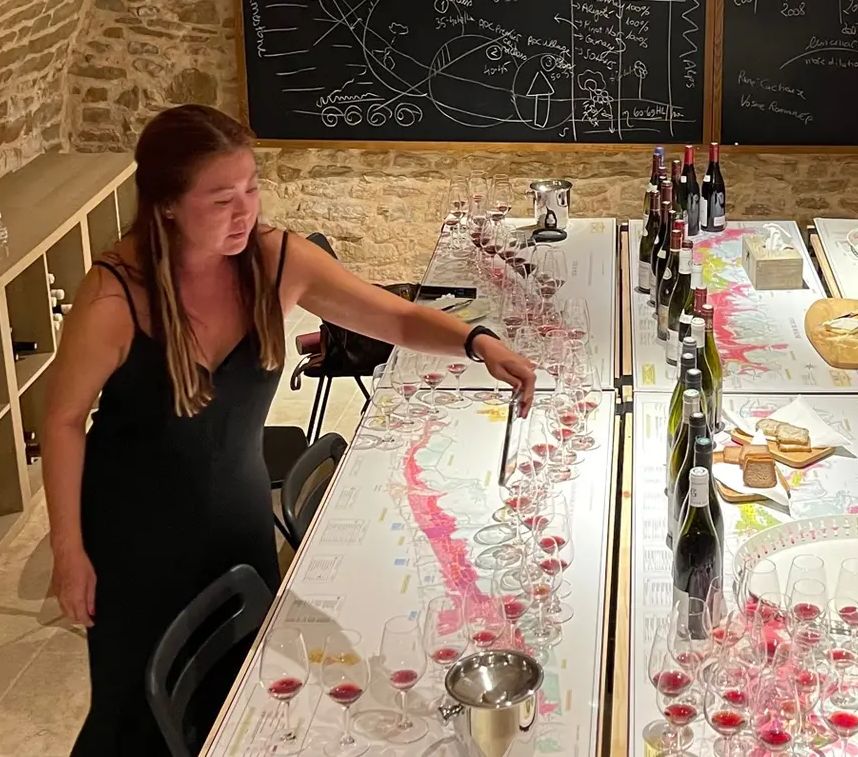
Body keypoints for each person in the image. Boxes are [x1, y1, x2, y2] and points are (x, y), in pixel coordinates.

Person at [42, 104, 535, 755]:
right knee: (137, 714)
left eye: (250, 188)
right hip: (135, 538)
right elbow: (63, 419)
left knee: (243, 692)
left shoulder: (275, 260)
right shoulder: (115, 296)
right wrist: (68, 550)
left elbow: (394, 319)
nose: (244, 211)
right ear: (166, 205)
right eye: (221, 199)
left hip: (236, 513)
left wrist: (478, 342)